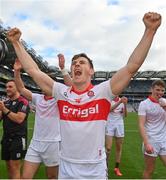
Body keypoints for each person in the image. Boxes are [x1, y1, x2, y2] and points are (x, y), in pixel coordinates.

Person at [7, 12, 161, 179]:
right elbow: (33, 71)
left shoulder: (103, 91)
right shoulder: (61, 92)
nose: (76, 65)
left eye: (82, 62)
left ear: (91, 71)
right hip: (66, 167)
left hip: (95, 170)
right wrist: (16, 43)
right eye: (74, 63)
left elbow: (132, 66)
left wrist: (149, 31)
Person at [13, 57, 72, 179]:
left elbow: (72, 89)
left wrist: (63, 69)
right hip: (35, 143)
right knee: (25, 177)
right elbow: (21, 89)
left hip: (53, 143)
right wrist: (17, 71)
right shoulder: (38, 98)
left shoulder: (59, 100)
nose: (41, 85)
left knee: (52, 177)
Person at [0, 80, 30, 179]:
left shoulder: (23, 101)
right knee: (9, 167)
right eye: (6, 87)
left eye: (10, 87)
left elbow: (19, 119)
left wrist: (4, 109)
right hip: (6, 139)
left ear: (17, 87)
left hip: (18, 139)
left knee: (15, 167)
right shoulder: (6, 103)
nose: (7, 89)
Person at [138, 80, 166, 179]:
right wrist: (146, 143)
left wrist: (165, 108)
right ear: (152, 89)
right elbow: (141, 124)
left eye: (162, 90)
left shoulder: (165, 102)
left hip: (164, 139)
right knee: (149, 170)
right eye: (157, 90)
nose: (160, 92)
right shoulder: (144, 104)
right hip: (151, 141)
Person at [105, 96, 128, 176]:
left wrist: (124, 104)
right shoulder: (109, 99)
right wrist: (120, 102)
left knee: (119, 147)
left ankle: (116, 168)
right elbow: (108, 110)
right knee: (108, 148)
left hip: (119, 125)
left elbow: (125, 115)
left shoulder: (122, 101)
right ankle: (105, 167)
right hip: (109, 125)